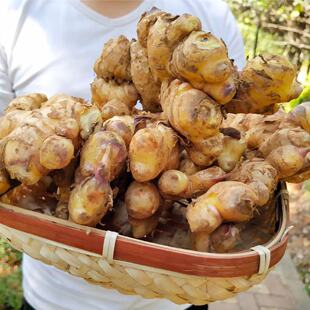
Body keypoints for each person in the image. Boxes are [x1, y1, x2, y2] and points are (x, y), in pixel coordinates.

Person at [0, 1, 245, 309]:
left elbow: (237, 128)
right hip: (53, 297)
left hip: (177, 297)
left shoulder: (210, 12)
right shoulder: (12, 14)